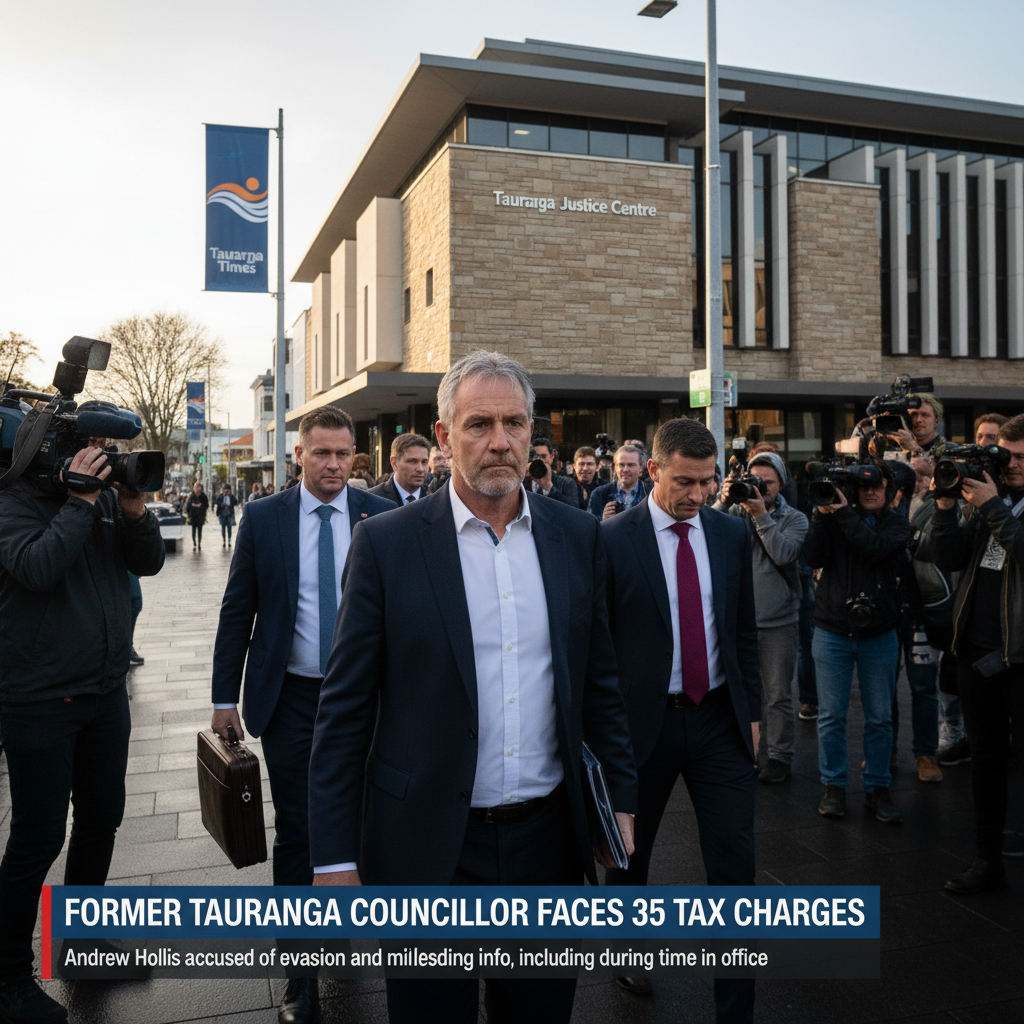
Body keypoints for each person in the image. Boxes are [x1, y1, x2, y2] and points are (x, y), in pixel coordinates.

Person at [308, 351, 636, 1024]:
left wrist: (619, 800)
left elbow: (600, 682)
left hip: (549, 843)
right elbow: (342, 714)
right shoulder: (388, 546)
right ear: (443, 435)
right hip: (428, 845)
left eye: (515, 423)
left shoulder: (576, 538)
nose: (499, 441)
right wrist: (335, 855)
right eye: (479, 423)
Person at [210, 406, 395, 1024]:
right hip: (290, 698)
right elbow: (238, 612)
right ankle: (300, 974)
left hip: (366, 699)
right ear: (299, 456)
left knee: (369, 820)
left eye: (344, 454)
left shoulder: (381, 516)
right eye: (322, 454)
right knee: (298, 831)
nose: (335, 465)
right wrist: (223, 699)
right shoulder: (264, 518)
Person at [601, 417, 761, 1022]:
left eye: (708, 481)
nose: (697, 495)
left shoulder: (728, 532)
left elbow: (740, 627)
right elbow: (599, 645)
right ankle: (627, 946)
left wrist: (750, 712)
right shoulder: (613, 539)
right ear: (653, 472)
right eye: (685, 482)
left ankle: (735, 1008)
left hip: (719, 720)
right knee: (630, 858)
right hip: (643, 727)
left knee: (734, 866)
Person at [0, 443, 164, 1024]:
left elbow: (146, 564)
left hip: (103, 689)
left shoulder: (100, 504)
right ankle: (9, 975)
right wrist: (79, 502)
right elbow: (36, 568)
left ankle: (82, 943)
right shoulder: (12, 502)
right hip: (40, 697)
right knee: (38, 837)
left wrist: (134, 508)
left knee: (102, 818)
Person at [933, 413, 1024, 894]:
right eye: (1007, 455)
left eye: (1022, 457)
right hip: (975, 649)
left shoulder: (996, 504)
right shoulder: (991, 497)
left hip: (1021, 655)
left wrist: (993, 508)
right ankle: (987, 860)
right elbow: (948, 559)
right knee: (985, 762)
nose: (1011, 465)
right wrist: (946, 505)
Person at [804, 461, 911, 824]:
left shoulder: (896, 524)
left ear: (889, 490)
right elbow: (811, 558)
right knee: (831, 717)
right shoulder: (836, 516)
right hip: (832, 628)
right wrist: (822, 515)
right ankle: (833, 785)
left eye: (876, 487)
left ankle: (877, 787)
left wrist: (843, 513)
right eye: (861, 487)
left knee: (880, 718)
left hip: (879, 632)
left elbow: (876, 548)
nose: (869, 492)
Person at [716, 451, 808, 784]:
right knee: (740, 693)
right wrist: (723, 501)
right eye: (754, 482)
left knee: (778, 695)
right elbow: (704, 531)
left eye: (767, 483)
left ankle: (779, 756)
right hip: (738, 620)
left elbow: (784, 553)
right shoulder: (733, 512)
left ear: (781, 483)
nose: (760, 489)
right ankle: (749, 752)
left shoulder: (795, 518)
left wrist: (761, 516)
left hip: (778, 621)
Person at [588, 443, 649, 520]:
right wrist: (603, 521)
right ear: (615, 468)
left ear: (641, 469)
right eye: (621, 465)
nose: (625, 470)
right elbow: (590, 528)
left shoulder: (651, 494)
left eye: (631, 465)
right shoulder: (599, 494)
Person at [368, 433, 430, 505]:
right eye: (412, 461)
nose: (421, 469)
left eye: (424, 462)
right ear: (394, 463)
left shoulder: (437, 499)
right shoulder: (372, 500)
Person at [526, 437, 576, 504]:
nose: (539, 460)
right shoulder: (522, 482)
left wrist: (549, 487)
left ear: (552, 456)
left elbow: (573, 511)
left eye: (543, 456)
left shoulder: (566, 483)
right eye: (535, 457)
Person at [186, 481, 209, 550]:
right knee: (193, 531)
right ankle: (194, 544)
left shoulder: (203, 496)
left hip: (200, 516)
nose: (197, 489)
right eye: (196, 487)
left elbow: (206, 505)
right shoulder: (191, 496)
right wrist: (192, 509)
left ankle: (199, 543)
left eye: (198, 487)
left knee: (199, 531)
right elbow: (188, 506)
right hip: (193, 516)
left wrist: (200, 507)